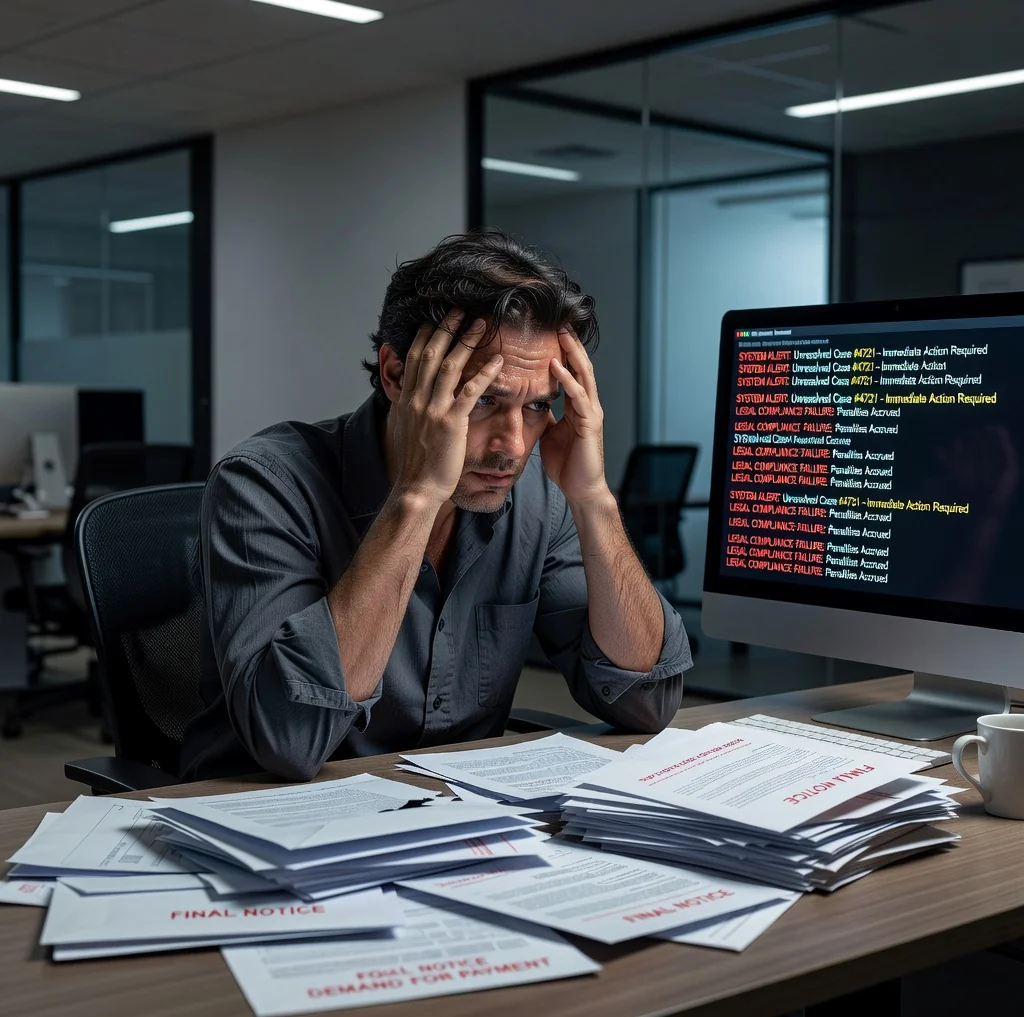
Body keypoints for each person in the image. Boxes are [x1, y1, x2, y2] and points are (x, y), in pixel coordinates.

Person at [179, 231, 691, 782]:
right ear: (398, 375)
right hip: (264, 818)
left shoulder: (539, 496)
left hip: (453, 824)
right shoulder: (265, 483)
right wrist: (418, 497)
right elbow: (289, 736)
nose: (513, 447)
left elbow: (647, 701)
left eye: (539, 405)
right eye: (484, 400)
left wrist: (594, 501)